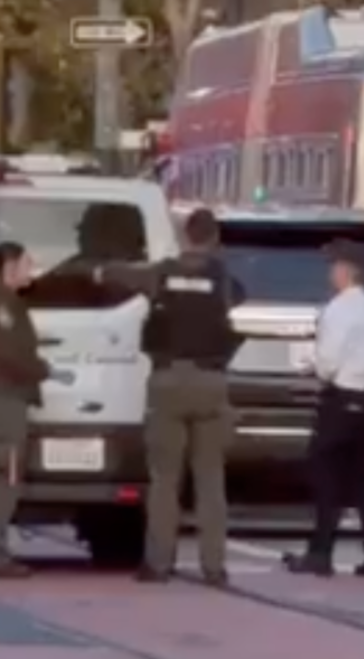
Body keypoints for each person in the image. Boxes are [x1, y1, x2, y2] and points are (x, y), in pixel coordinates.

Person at [91, 206, 243, 585]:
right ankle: (214, 566)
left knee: (164, 479)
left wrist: (99, 270)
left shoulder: (162, 274)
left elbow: (120, 274)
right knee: (211, 479)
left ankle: (159, 563)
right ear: (215, 239)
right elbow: (235, 301)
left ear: (185, 237)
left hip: (168, 382)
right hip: (211, 383)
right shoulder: (223, 278)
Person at [284, 239, 364, 578]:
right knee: (361, 480)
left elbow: (328, 364)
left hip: (342, 398)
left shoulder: (337, 309)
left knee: (324, 474)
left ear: (347, 271)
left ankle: (320, 552)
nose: (331, 272)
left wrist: (309, 364)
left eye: (334, 266)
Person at [0, 240, 53, 578]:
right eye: (27, 264)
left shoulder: (4, 302)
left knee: (6, 475)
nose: (31, 271)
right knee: (3, 475)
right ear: (10, 266)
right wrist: (41, 369)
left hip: (8, 398)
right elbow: (7, 352)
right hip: (5, 399)